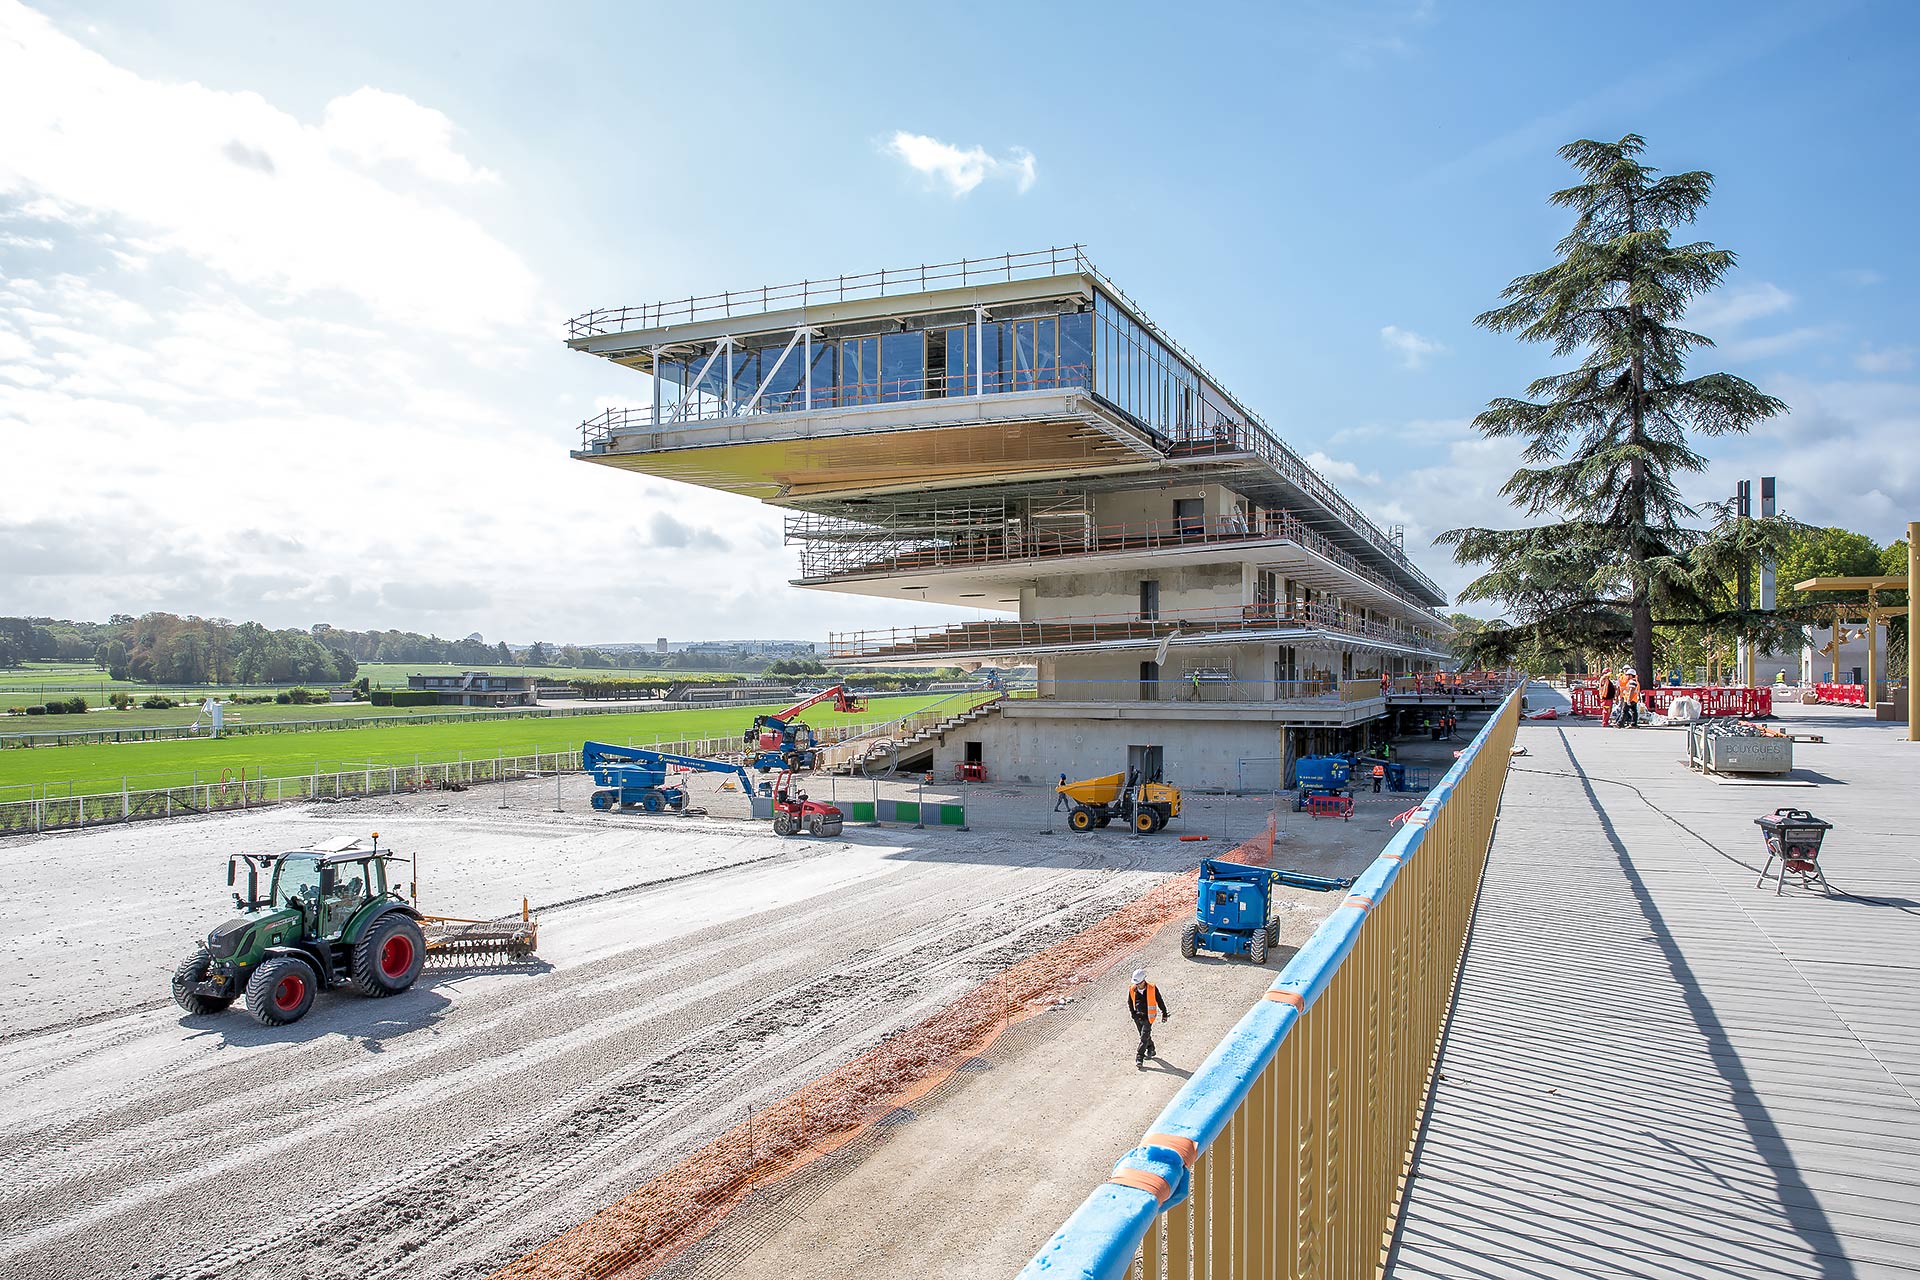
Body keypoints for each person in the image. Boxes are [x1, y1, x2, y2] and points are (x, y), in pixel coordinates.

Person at [1128, 968, 1170, 1066]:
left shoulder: (1152, 988)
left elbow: (1159, 1001)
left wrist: (1164, 1013)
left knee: (1143, 1037)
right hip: (1138, 1017)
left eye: (1139, 983)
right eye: (1136, 983)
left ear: (1144, 981)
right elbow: (1130, 1002)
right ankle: (1151, 1048)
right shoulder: (1132, 989)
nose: (1137, 985)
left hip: (1148, 1017)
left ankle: (1139, 1057)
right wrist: (1133, 1014)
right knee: (1144, 1036)